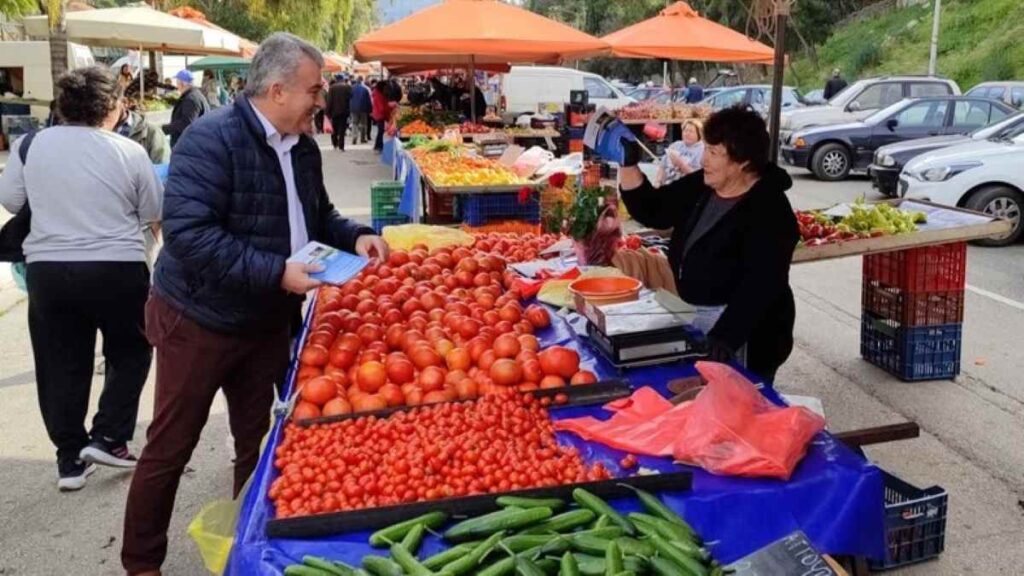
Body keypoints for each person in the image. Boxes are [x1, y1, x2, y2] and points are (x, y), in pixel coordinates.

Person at [120, 33, 389, 576]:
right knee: (171, 444)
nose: (322, 100)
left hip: (265, 320)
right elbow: (189, 235)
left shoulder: (304, 146)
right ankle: (141, 562)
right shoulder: (210, 140)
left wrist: (355, 234)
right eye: (314, 90)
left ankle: (250, 546)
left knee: (258, 442)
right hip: (200, 318)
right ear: (277, 89)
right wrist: (276, 272)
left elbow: (316, 217)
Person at [0, 66, 162, 491]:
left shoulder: (29, 145)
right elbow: (152, 212)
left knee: (59, 363)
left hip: (49, 271)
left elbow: (11, 199)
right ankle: (109, 435)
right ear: (111, 107)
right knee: (131, 350)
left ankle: (70, 461)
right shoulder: (128, 151)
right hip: (118, 267)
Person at [599, 106, 799, 380]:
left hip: (751, 332)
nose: (704, 159)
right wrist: (628, 162)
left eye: (714, 153)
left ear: (742, 161)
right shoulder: (703, 185)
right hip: (699, 316)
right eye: (706, 149)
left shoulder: (771, 210)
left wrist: (724, 339)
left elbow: (761, 285)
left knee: (741, 404)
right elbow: (654, 209)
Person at [162, 69, 209, 149]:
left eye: (177, 82)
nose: (176, 85)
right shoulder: (193, 95)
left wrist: (164, 129)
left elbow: (186, 123)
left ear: (183, 84)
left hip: (190, 146)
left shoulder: (191, 99)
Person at [655, 119, 704, 188]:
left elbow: (698, 178)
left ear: (698, 134)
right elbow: (663, 166)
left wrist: (680, 164)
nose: (687, 133)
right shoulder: (676, 145)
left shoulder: (702, 150)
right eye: (685, 130)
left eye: (691, 131)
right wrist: (658, 182)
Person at [325, 74, 352, 150]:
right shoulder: (348, 87)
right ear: (342, 79)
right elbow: (350, 99)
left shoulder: (332, 88)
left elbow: (329, 101)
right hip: (344, 111)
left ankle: (334, 143)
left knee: (334, 128)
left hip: (334, 112)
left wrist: (327, 113)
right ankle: (341, 146)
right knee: (342, 129)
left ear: (336, 79)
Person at [350, 75, 372, 145]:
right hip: (363, 109)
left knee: (354, 123)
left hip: (353, 109)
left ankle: (354, 137)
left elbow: (349, 99)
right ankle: (362, 138)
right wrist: (370, 110)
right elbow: (368, 101)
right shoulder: (365, 89)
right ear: (361, 81)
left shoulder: (351, 89)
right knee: (363, 124)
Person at [371, 80, 389, 152]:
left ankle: (377, 145)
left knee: (380, 130)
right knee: (381, 130)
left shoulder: (377, 93)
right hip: (379, 114)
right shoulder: (378, 94)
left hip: (378, 113)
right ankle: (379, 145)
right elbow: (381, 106)